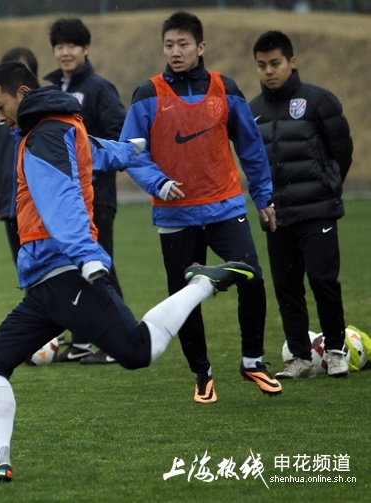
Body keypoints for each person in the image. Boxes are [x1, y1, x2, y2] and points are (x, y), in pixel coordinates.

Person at [0, 60, 258, 483]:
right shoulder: (61, 127)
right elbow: (98, 152)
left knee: (138, 352)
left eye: (0, 106)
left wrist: (88, 257)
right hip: (45, 286)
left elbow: (61, 201)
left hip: (67, 273)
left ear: (24, 95)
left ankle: (201, 284)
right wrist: (131, 150)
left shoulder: (43, 136)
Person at [119, 11, 281, 403]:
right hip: (175, 217)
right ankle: (202, 373)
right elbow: (130, 153)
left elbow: (251, 147)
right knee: (184, 297)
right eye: (169, 45)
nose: (175, 52)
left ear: (200, 47)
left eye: (183, 44)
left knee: (254, 280)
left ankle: (252, 362)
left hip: (225, 208)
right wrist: (159, 182)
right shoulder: (148, 94)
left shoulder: (225, 88)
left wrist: (263, 198)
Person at [249, 30, 353, 378]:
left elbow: (342, 149)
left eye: (275, 63)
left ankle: (337, 351)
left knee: (323, 281)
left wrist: (328, 186)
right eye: (262, 65)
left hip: (317, 211)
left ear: (292, 62)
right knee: (287, 287)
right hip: (277, 215)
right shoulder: (253, 112)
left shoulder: (319, 101)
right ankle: (299, 358)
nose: (269, 71)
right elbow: (252, 161)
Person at [44, 17, 127, 365]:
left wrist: (87, 167)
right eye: (59, 46)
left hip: (96, 196)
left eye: (72, 46)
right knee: (72, 267)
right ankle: (82, 341)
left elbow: (117, 136)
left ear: (86, 48)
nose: (65, 52)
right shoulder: (49, 90)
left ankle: (119, 340)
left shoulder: (98, 89)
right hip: (64, 201)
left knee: (99, 265)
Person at [0, 47, 39, 265]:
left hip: (39, 211)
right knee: (25, 269)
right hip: (13, 206)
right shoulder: (2, 117)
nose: (0, 118)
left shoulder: (48, 120)